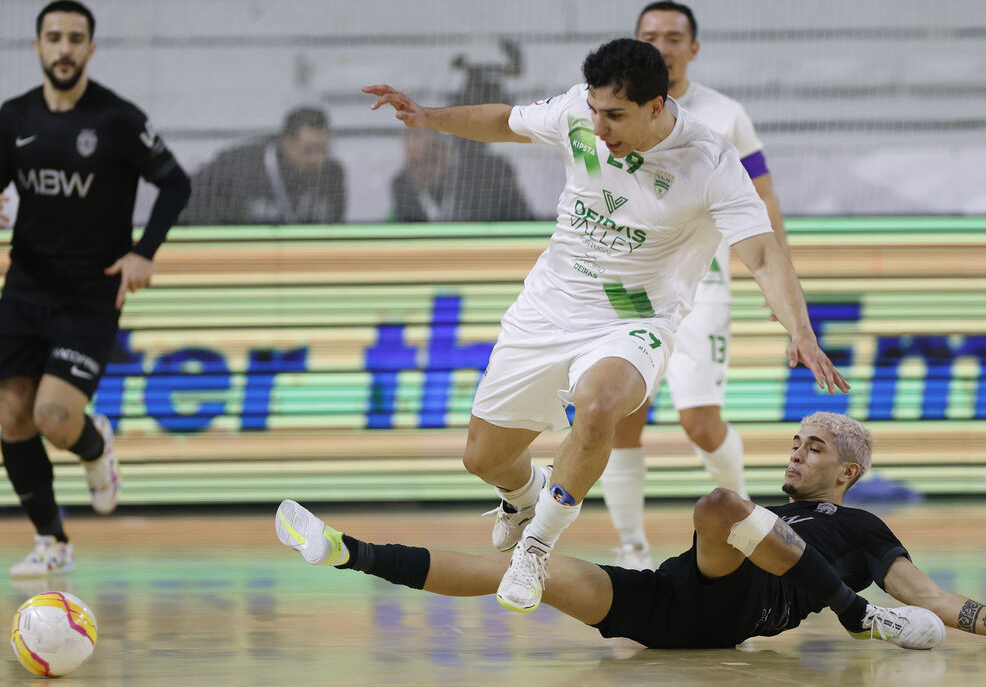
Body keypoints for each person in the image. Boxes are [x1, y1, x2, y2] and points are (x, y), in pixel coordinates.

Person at [363, 37, 849, 613]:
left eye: (614, 115)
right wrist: (426, 117)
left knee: (598, 406)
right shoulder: (579, 113)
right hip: (549, 306)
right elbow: (505, 120)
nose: (598, 125)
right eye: (594, 110)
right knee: (483, 458)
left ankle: (535, 549)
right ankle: (523, 496)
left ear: (655, 106)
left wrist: (801, 330)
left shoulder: (709, 160)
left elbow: (764, 254)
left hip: (636, 319)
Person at [275, 413, 986, 649]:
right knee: (521, 574)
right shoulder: (774, 506)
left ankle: (860, 620)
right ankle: (350, 552)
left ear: (845, 472)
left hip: (747, 601)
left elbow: (931, 595)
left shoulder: (857, 526)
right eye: (794, 441)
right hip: (673, 603)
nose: (797, 453)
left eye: (813, 448)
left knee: (719, 504)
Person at [0, 0, 191, 576]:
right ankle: (53, 542)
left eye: (75, 39)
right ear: (37, 46)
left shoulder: (117, 119)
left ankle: (95, 448)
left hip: (91, 294)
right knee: (13, 417)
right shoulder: (14, 117)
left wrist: (145, 251)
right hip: (24, 287)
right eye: (53, 37)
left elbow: (175, 184)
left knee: (53, 417)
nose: (63, 48)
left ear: (90, 49)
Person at [605, 0, 792, 570]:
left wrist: (778, 276)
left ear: (693, 47)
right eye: (649, 34)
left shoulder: (724, 114)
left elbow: (761, 195)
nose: (661, 43)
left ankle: (745, 521)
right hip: (629, 287)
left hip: (702, 284)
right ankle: (633, 550)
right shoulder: (606, 108)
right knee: (620, 417)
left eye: (673, 35)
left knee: (700, 421)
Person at [182, 106, 346, 224]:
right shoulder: (236, 167)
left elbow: (334, 229)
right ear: (286, 143)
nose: (318, 159)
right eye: (309, 150)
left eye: (324, 150)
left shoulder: (332, 174)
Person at [389, 129, 532, 222]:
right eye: (414, 164)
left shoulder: (488, 175)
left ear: (445, 151)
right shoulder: (402, 187)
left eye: (429, 159)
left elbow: (524, 223)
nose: (422, 170)